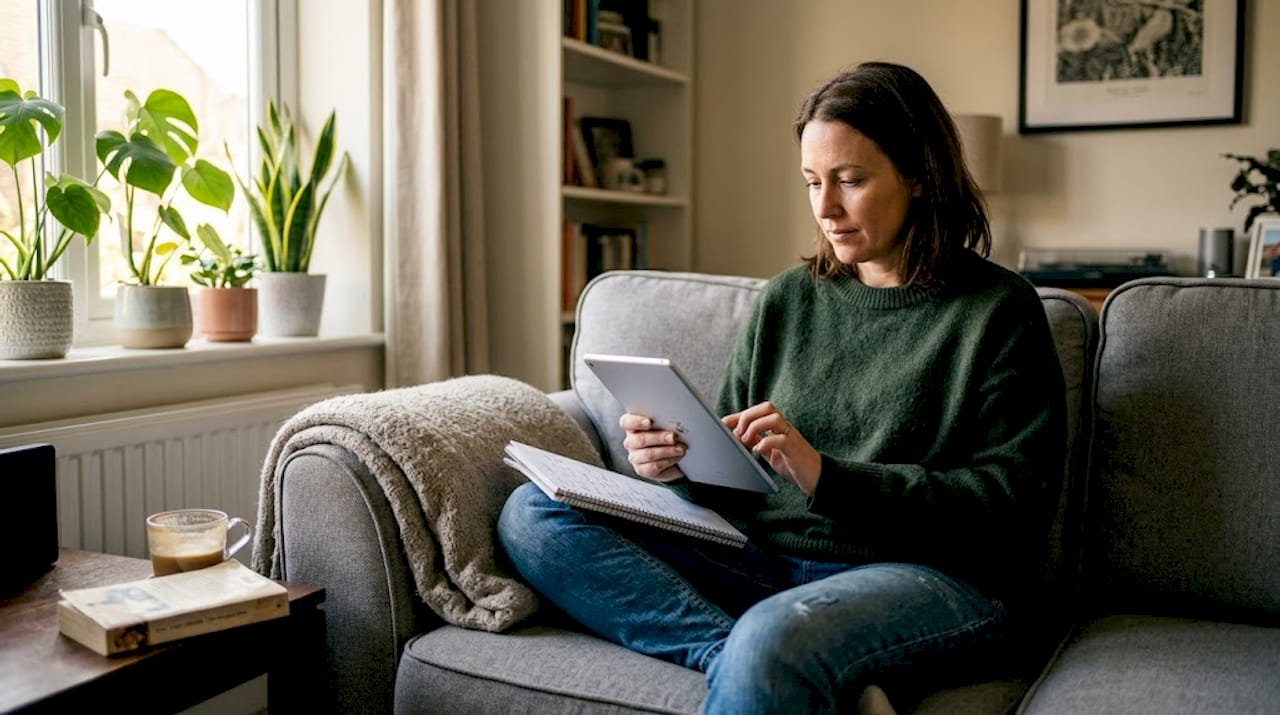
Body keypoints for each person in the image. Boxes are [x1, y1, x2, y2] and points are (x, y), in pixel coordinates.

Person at [498, 61, 1066, 714]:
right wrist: (677, 462)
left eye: (851, 180)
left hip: (926, 577)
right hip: (762, 562)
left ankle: (769, 655)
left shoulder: (998, 310)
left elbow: (1010, 504)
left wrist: (828, 476)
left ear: (917, 173)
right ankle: (738, 654)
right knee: (534, 516)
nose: (825, 208)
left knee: (773, 636)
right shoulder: (788, 300)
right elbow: (733, 479)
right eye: (812, 182)